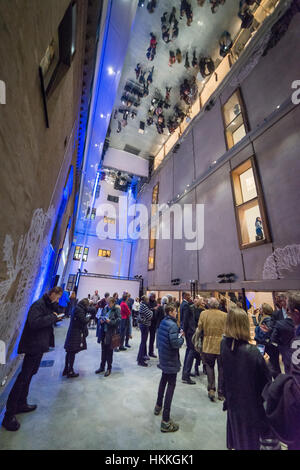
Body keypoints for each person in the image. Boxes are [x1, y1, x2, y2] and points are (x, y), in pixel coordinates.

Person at [2, 286, 63, 432]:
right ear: (53, 293)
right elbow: (34, 323)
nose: (58, 299)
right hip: (33, 345)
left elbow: (49, 317)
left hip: (40, 345)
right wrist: (53, 317)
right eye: (58, 297)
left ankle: (21, 403)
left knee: (30, 375)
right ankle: (9, 414)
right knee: (23, 377)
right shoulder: (38, 305)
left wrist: (55, 313)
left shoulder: (47, 305)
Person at [221, 307, 276, 450]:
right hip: (251, 409)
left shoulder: (224, 345)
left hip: (233, 404)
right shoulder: (252, 353)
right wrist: (266, 363)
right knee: (250, 443)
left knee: (239, 441)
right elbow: (266, 383)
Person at [154, 304, 184, 432]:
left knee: (163, 381)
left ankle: (158, 406)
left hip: (164, 357)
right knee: (170, 386)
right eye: (175, 311)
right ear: (171, 312)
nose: (177, 313)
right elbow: (175, 343)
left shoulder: (163, 322)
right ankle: (165, 421)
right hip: (170, 359)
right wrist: (181, 337)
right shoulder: (172, 325)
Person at [197, 297, 227, 401]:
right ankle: (221, 392)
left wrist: (196, 341)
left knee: (209, 366)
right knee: (222, 369)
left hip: (208, 344)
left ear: (208, 305)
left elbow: (199, 328)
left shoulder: (203, 314)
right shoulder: (224, 315)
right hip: (221, 345)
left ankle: (211, 389)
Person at [63, 298, 91, 378]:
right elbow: (83, 320)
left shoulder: (77, 307)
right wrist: (88, 317)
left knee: (69, 351)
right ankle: (70, 371)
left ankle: (66, 369)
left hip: (72, 331)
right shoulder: (79, 310)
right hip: (75, 333)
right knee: (72, 352)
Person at [95, 297, 121, 376]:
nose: (108, 305)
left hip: (111, 333)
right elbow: (100, 317)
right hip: (103, 332)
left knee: (109, 352)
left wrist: (110, 322)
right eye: (107, 303)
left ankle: (109, 368)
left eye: (109, 303)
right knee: (103, 351)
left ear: (113, 303)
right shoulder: (105, 308)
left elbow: (119, 320)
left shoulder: (116, 309)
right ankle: (102, 367)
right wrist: (101, 320)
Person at [182, 294, 196, 385]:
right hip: (190, 332)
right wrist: (184, 330)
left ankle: (185, 372)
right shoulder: (186, 305)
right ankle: (186, 375)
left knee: (189, 351)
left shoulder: (184, 304)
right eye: (189, 296)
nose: (191, 297)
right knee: (191, 352)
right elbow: (186, 319)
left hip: (188, 331)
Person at [137, 296, 153, 366]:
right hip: (144, 325)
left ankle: (141, 357)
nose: (148, 301)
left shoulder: (143, 305)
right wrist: (151, 311)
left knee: (143, 342)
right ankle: (140, 360)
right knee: (143, 343)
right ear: (144, 300)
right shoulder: (143, 306)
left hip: (144, 325)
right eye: (147, 299)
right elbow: (150, 315)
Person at [148, 292, 158, 358]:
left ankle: (151, 352)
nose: (153, 298)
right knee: (145, 339)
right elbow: (147, 310)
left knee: (152, 338)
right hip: (148, 322)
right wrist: (153, 309)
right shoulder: (148, 302)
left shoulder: (155, 302)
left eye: (154, 296)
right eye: (152, 296)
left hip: (154, 322)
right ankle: (145, 353)